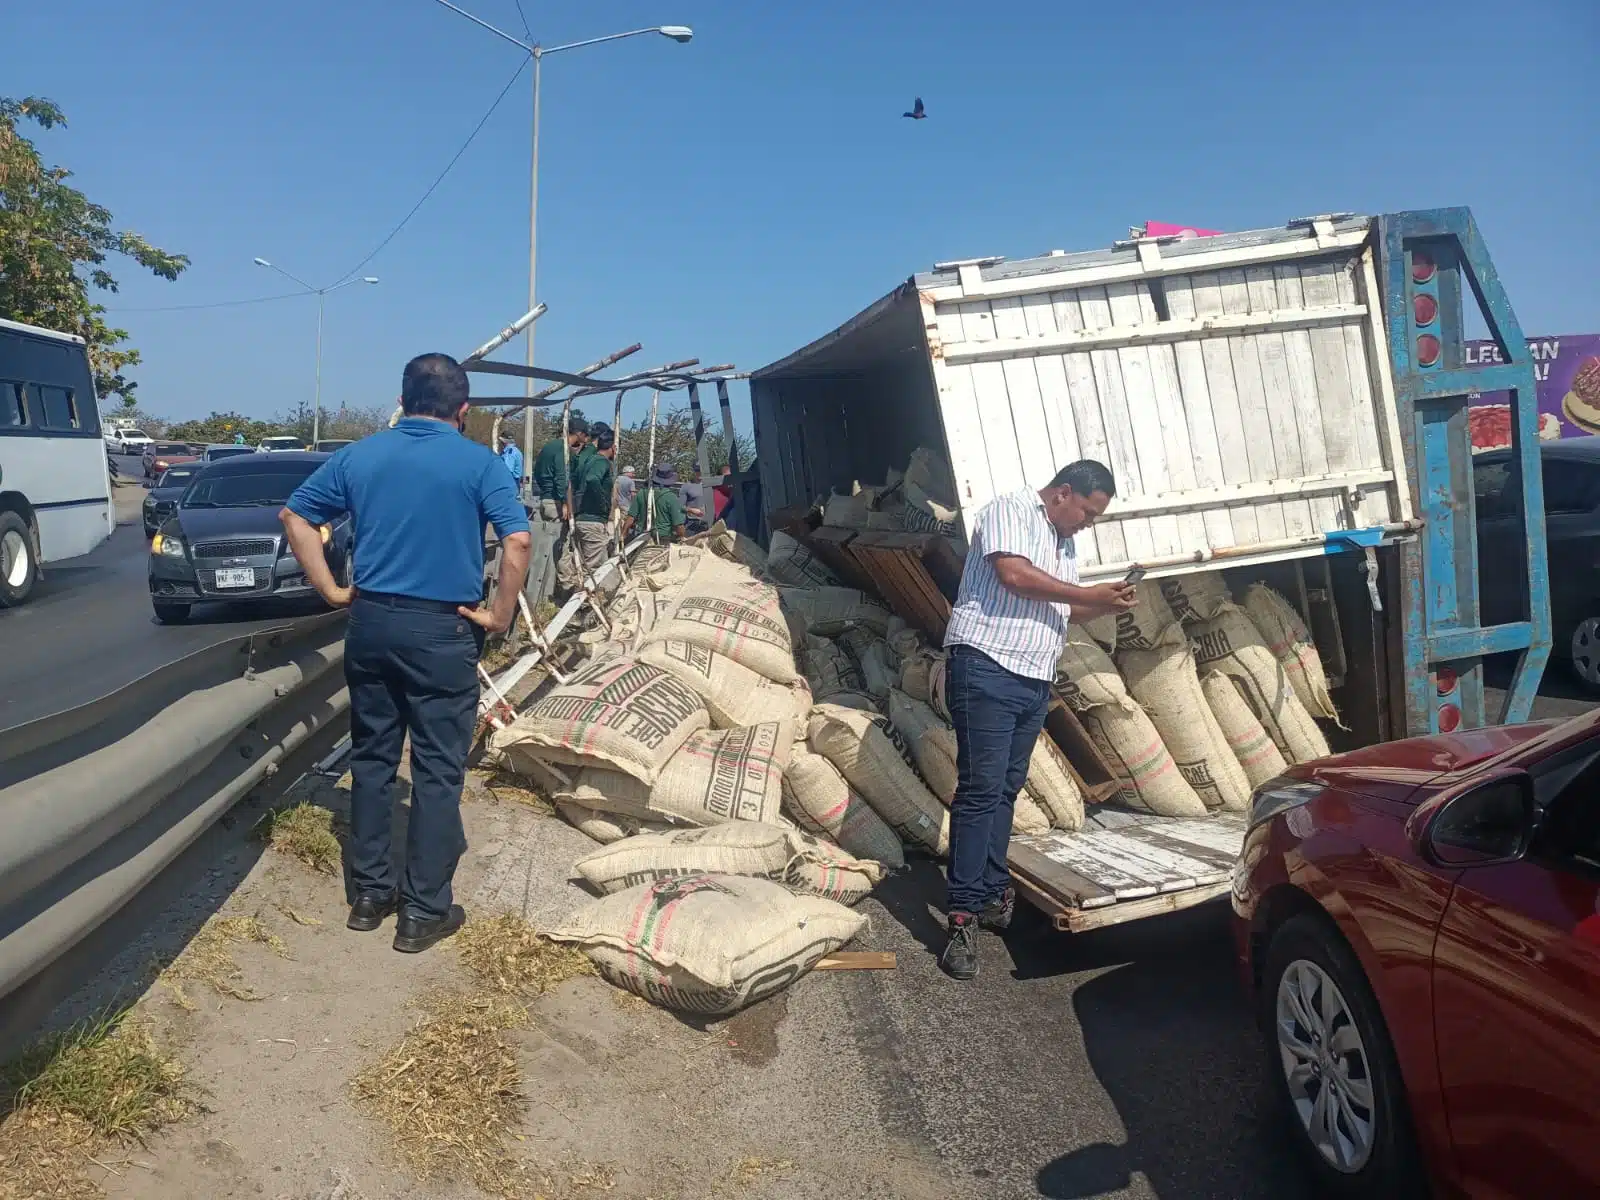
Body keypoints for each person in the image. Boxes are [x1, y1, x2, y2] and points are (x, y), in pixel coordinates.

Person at [281, 353, 531, 955]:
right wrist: (499, 616)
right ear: (464, 410)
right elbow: (518, 541)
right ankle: (423, 912)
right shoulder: (480, 464)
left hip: (371, 625)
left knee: (371, 761)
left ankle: (369, 896)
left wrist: (334, 590)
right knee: (438, 771)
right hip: (441, 631)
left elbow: (295, 516)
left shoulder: (361, 455)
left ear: (403, 399)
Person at [937, 460, 1137, 981]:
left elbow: (1066, 608)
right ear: (1064, 493)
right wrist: (1085, 595)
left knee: (1006, 788)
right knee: (980, 790)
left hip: (1031, 675)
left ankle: (989, 893)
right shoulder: (1011, 509)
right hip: (987, 665)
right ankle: (961, 916)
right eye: (1087, 514)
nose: (1085, 525)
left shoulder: (1063, 541)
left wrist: (1104, 602)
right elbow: (1014, 575)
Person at [527, 415, 588, 607]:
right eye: (584, 435)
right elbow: (564, 478)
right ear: (578, 434)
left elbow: (538, 472)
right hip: (556, 503)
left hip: (544, 499)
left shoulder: (548, 447)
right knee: (561, 548)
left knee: (543, 546)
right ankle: (564, 590)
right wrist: (565, 502)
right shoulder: (563, 450)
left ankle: (542, 588)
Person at [559, 427, 616, 594]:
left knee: (585, 566)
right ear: (612, 447)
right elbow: (593, 480)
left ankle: (583, 600)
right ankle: (584, 606)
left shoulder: (588, 461)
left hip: (581, 519)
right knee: (594, 569)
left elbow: (572, 482)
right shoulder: (601, 462)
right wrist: (603, 503)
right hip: (593, 520)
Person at [623, 464, 688, 543]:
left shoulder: (641, 493)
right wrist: (682, 537)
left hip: (641, 538)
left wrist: (624, 534)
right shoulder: (671, 497)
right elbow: (679, 525)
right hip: (663, 538)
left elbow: (631, 517)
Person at [679, 468, 709, 535]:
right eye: (697, 470)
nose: (700, 472)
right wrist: (691, 510)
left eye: (702, 470)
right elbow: (680, 506)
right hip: (691, 524)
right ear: (694, 471)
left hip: (707, 524)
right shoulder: (686, 486)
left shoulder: (710, 486)